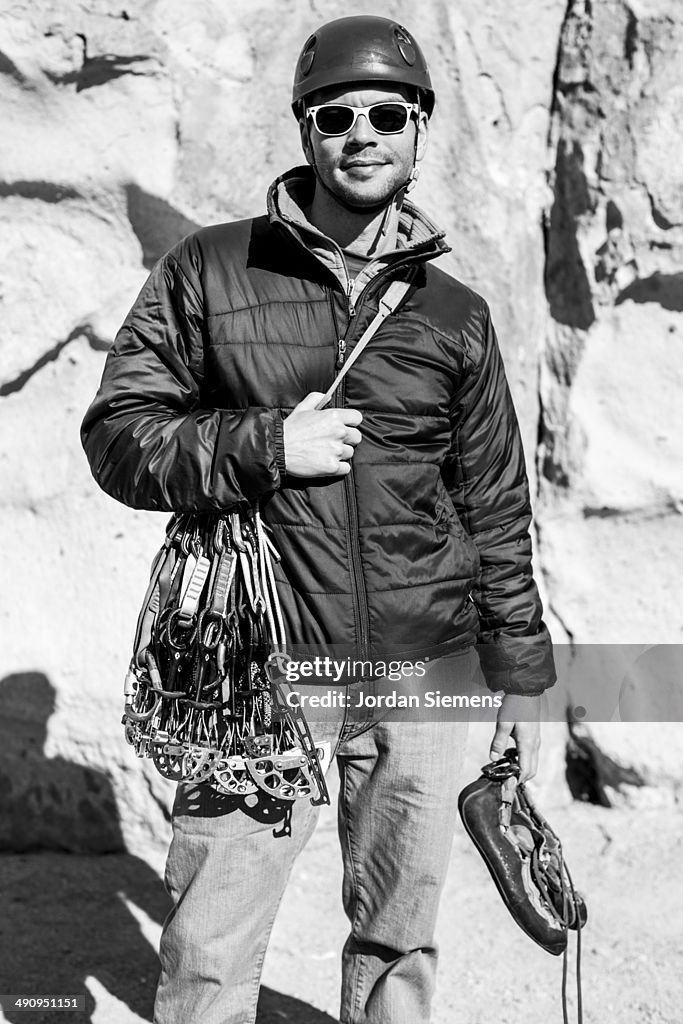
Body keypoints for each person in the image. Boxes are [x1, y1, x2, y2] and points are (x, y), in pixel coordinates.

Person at [82, 14, 556, 1024]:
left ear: (420, 127)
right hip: (258, 676)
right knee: (210, 949)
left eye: (387, 112)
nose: (362, 133)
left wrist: (516, 674)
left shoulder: (453, 314)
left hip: (426, 672)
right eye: (335, 114)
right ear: (304, 130)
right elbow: (117, 435)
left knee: (399, 945)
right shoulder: (208, 273)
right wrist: (262, 447)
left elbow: (491, 502)